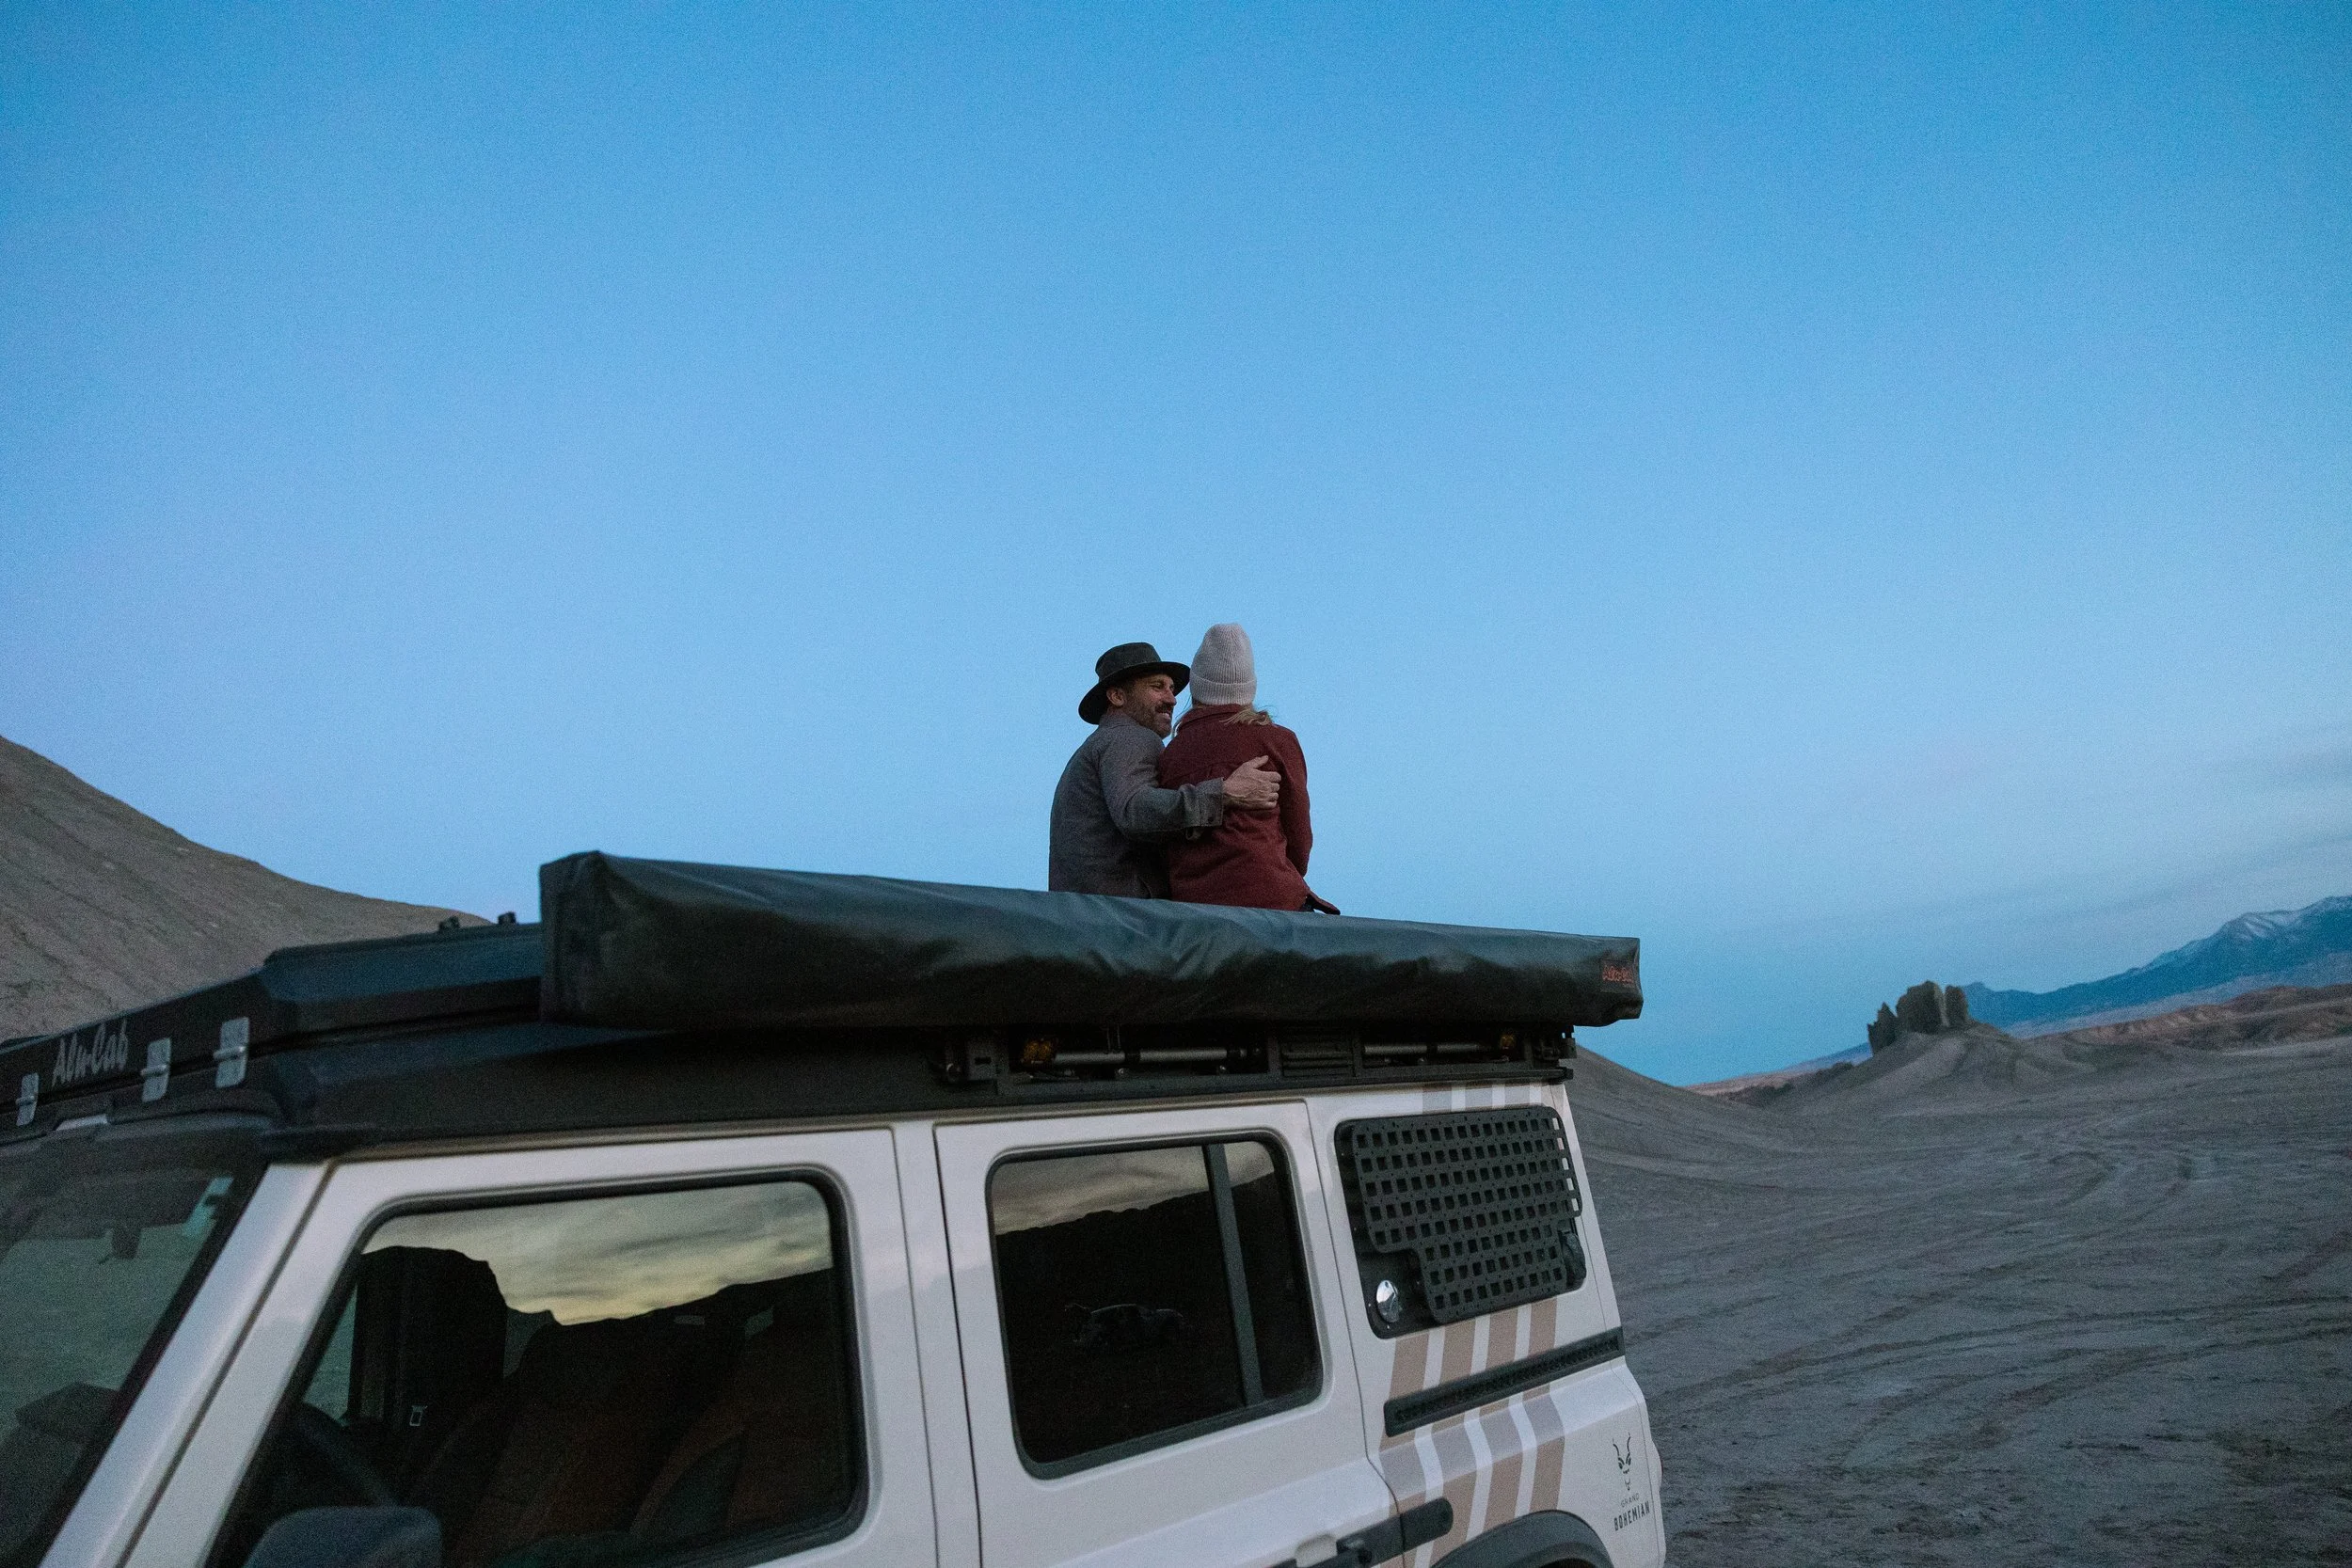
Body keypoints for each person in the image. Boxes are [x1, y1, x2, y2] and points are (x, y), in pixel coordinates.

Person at [1048, 641, 1282, 898]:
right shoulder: (1130, 737)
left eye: (1172, 689)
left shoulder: (1096, 746)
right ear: (1117, 697)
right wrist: (1224, 793)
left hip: (1092, 920)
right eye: (1157, 687)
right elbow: (1134, 810)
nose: (1172, 699)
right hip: (1126, 919)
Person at [1156, 624, 1334, 912]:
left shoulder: (1170, 755)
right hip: (1272, 902)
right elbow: (1299, 839)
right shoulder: (1277, 741)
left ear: (1198, 687)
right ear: (1249, 687)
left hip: (1193, 910)